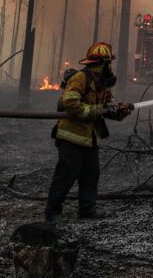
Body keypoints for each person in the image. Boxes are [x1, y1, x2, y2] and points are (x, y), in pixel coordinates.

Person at [44, 41, 133, 223]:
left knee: (91, 176)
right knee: (66, 176)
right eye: (108, 63)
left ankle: (87, 212)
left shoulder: (103, 84)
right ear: (103, 64)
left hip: (91, 139)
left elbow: (107, 107)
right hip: (72, 138)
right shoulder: (80, 78)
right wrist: (94, 110)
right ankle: (52, 213)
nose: (110, 67)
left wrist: (119, 110)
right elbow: (70, 103)